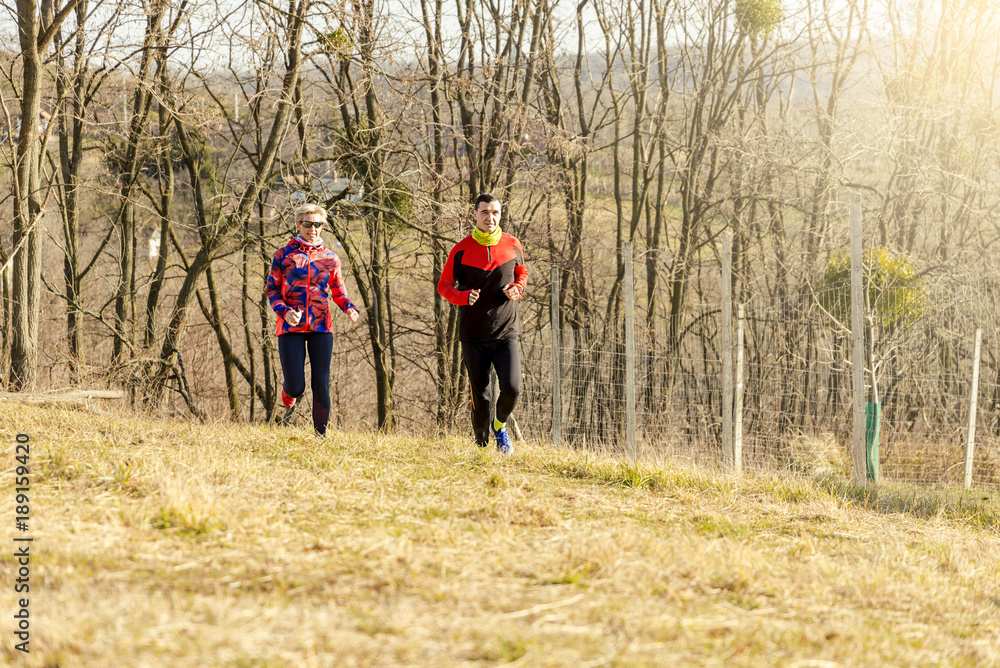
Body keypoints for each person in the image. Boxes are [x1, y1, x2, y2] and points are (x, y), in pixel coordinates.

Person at [437, 193, 528, 455]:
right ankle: (481, 448)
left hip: (505, 331)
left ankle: (499, 426)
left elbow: (522, 273)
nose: (490, 217)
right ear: (475, 215)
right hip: (473, 335)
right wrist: (462, 297)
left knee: (512, 388)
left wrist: (518, 288)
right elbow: (444, 285)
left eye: (495, 212)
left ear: (500, 215)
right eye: (485, 212)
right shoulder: (460, 249)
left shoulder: (513, 244)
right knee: (482, 397)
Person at [266, 203, 360, 436]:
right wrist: (285, 311)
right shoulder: (284, 255)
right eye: (307, 224)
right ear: (298, 225)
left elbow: (338, 291)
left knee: (321, 383)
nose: (313, 229)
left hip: (321, 326)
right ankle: (288, 391)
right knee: (297, 387)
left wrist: (349, 308)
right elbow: (272, 290)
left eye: (318, 224)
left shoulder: (330, 258)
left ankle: (320, 437)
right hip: (290, 327)